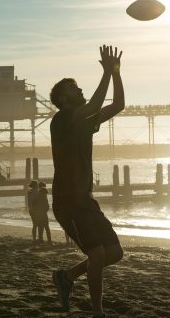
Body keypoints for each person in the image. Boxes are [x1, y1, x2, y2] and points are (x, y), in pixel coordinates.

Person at [50, 45, 125, 318]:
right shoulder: (61, 120)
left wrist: (115, 72)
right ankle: (98, 312)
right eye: (74, 88)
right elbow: (94, 104)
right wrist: (105, 71)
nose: (80, 90)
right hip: (68, 200)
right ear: (62, 97)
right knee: (96, 254)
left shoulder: (84, 122)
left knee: (114, 252)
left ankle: (66, 277)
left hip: (85, 200)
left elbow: (117, 105)